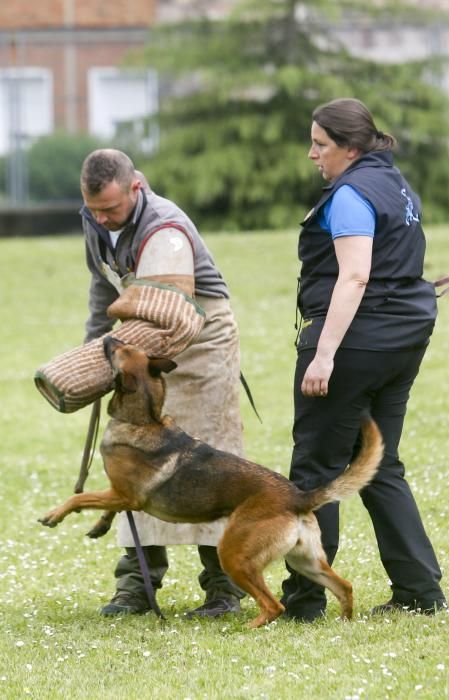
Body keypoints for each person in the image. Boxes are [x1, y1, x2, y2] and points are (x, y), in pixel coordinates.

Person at [281, 98, 448, 621]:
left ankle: (305, 602)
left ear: (350, 147)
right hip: (402, 338)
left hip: (357, 340)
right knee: (377, 463)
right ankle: (420, 592)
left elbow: (354, 276)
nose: (313, 154)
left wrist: (324, 354)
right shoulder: (394, 183)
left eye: (321, 144)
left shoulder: (352, 192)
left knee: (314, 470)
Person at [80, 148, 245, 617]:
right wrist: (95, 349)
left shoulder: (165, 229)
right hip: (140, 339)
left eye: (111, 209)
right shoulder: (96, 218)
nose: (103, 219)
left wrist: (116, 355)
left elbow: (168, 315)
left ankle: (224, 589)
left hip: (197, 336)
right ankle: (137, 585)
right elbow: (102, 287)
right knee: (134, 463)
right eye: (94, 210)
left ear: (136, 187)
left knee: (210, 465)